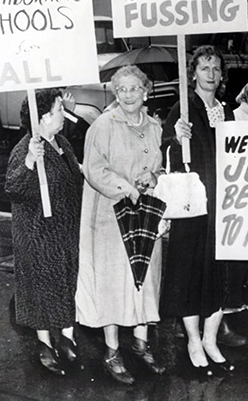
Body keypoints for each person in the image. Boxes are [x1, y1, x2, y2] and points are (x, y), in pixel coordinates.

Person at [161, 45, 248, 376]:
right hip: (192, 207)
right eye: (204, 68)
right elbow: (165, 150)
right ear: (193, 72)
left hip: (222, 205)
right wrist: (174, 137)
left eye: (216, 68)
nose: (211, 74)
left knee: (219, 273)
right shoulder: (182, 109)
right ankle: (193, 341)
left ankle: (211, 340)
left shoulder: (224, 111)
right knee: (189, 271)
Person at [76, 65, 165, 385]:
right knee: (113, 285)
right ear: (115, 93)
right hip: (111, 217)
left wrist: (154, 178)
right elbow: (94, 169)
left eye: (134, 88)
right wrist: (126, 187)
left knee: (143, 281)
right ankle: (112, 352)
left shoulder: (155, 126)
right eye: (121, 89)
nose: (128, 95)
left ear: (146, 91)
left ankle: (141, 346)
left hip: (144, 216)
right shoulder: (102, 125)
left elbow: (161, 165)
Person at [5, 89, 82, 376]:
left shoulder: (60, 142)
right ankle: (44, 344)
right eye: (60, 109)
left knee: (65, 283)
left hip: (63, 230)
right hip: (38, 233)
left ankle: (67, 337)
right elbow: (12, 187)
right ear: (44, 118)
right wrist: (28, 162)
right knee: (42, 289)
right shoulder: (26, 148)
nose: (64, 113)